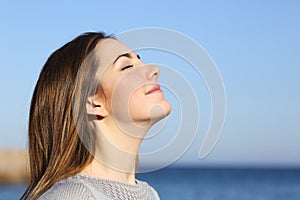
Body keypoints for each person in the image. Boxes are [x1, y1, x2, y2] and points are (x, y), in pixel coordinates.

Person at [21, 32, 171, 200]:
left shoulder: (150, 194)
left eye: (139, 60)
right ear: (93, 103)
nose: (154, 70)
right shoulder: (72, 196)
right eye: (126, 66)